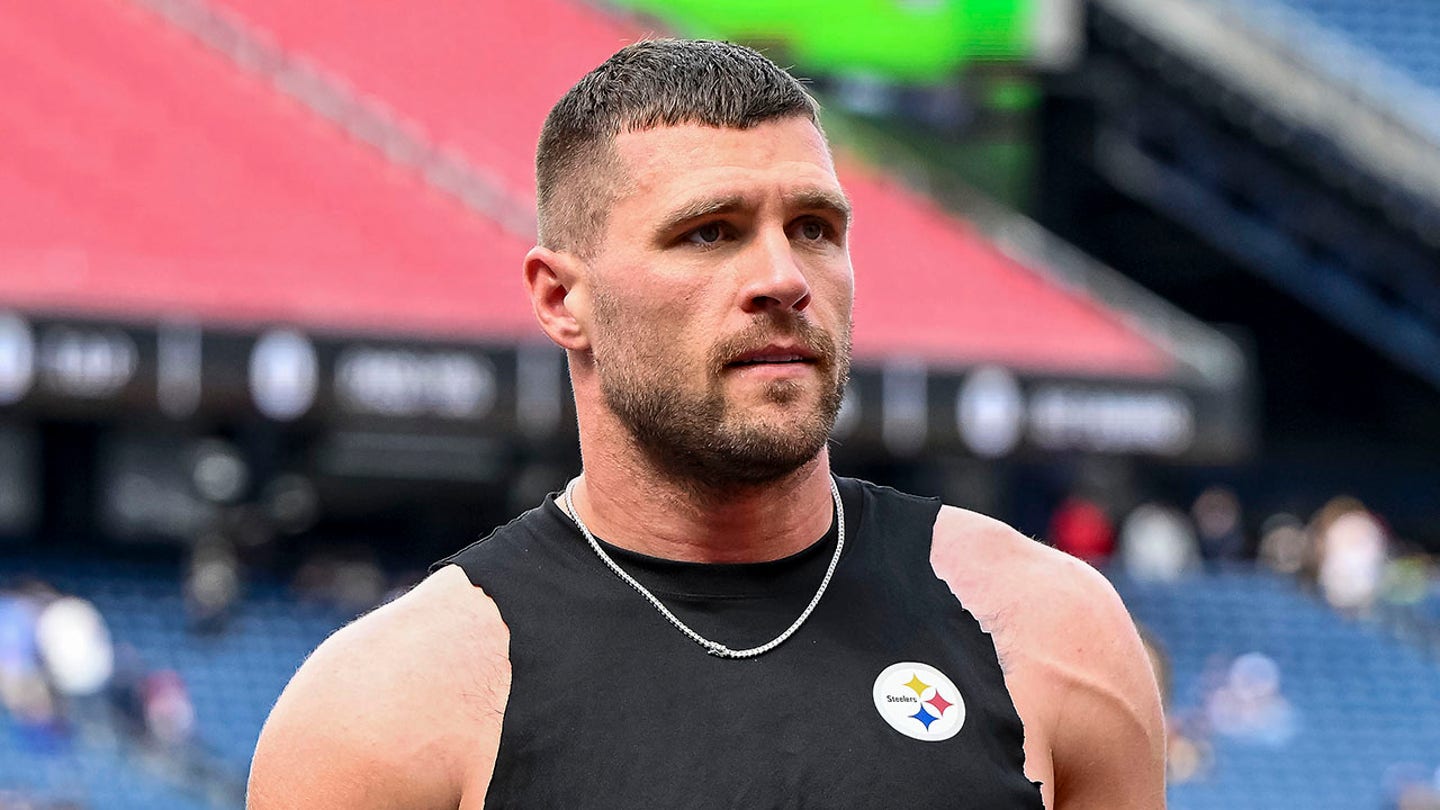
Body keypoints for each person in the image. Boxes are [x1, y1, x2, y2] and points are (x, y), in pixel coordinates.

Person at [247, 39, 1165, 809]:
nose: (784, 278)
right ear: (562, 299)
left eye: (814, 227)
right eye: (711, 232)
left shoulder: (1047, 636)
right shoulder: (392, 712)